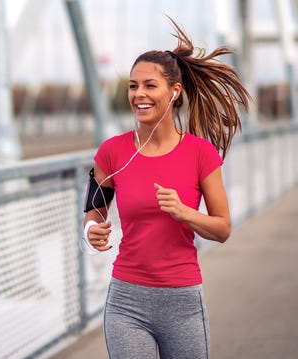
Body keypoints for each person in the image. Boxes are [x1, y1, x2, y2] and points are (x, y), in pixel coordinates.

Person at [82, 18, 250, 359]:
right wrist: (91, 232)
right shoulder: (111, 152)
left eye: (149, 85)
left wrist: (184, 213)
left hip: (182, 301)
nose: (139, 95)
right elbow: (93, 213)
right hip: (126, 301)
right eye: (132, 86)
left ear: (173, 92)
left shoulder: (200, 153)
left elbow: (223, 229)